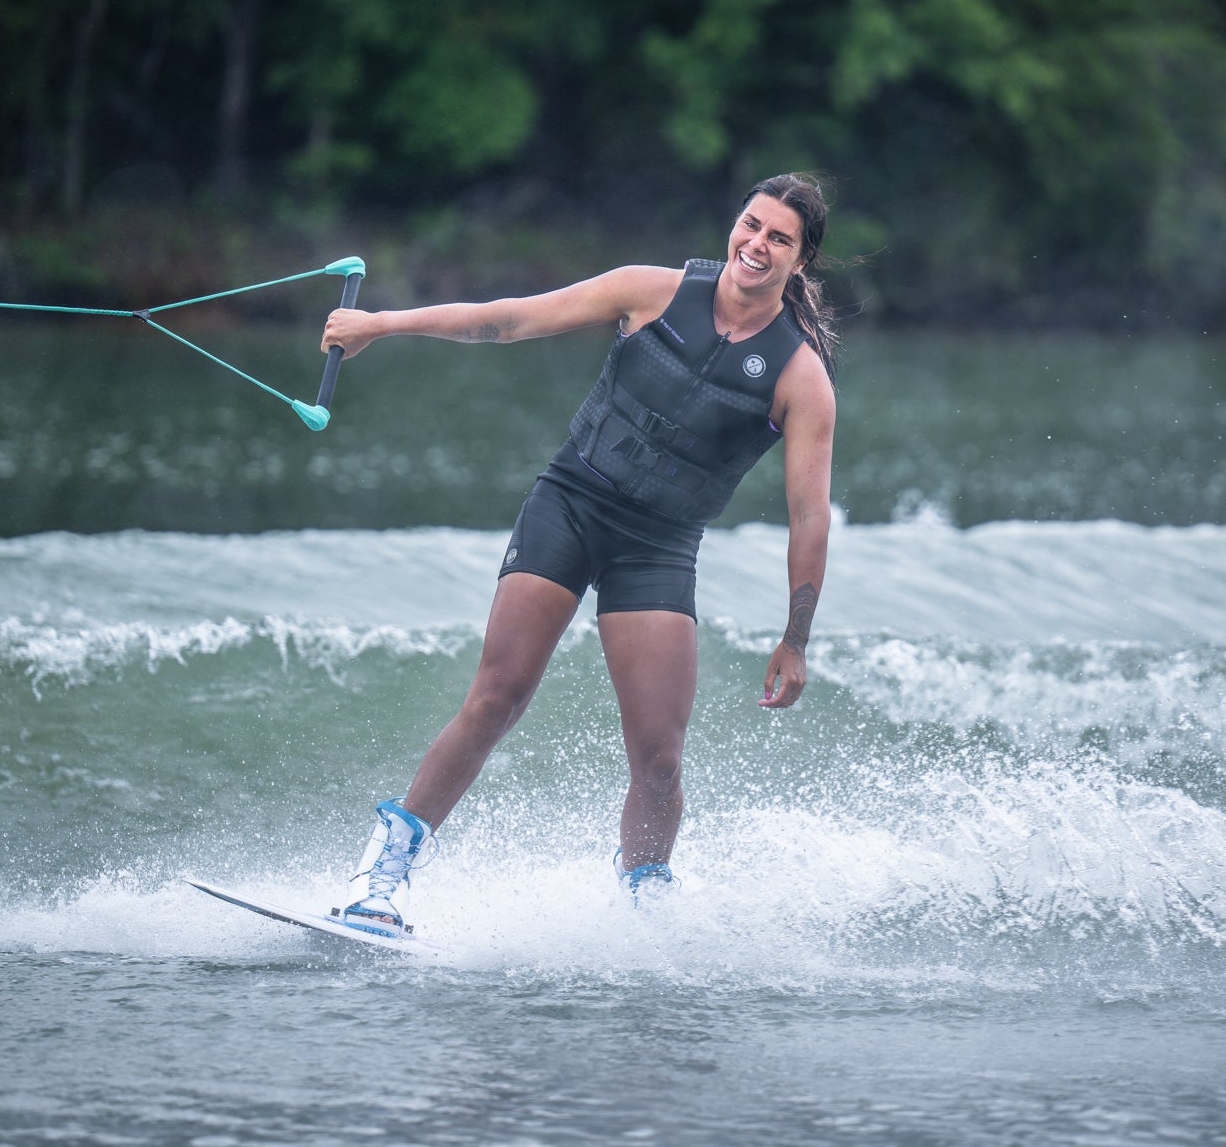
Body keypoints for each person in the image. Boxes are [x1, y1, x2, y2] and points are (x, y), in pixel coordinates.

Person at [317, 173, 842, 938]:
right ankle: (377, 882)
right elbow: (507, 320)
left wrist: (796, 636)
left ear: (801, 260)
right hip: (571, 502)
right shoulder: (651, 290)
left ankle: (645, 920)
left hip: (659, 545)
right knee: (498, 696)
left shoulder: (801, 378)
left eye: (779, 238)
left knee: (660, 757)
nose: (756, 245)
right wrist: (384, 324)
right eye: (751, 225)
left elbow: (808, 517)